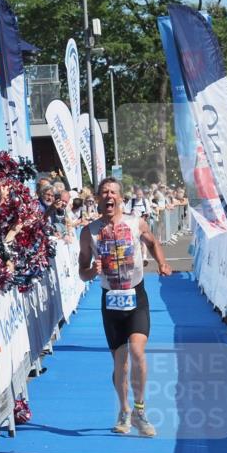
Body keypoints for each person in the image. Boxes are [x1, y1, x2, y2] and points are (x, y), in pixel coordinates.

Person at [78, 177, 172, 438]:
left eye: (113, 193)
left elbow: (152, 242)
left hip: (136, 296)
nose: (109, 196)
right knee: (121, 363)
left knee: (138, 352)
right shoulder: (89, 232)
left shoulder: (135, 222)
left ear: (120, 198)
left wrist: (162, 263)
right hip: (110, 299)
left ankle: (140, 411)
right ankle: (124, 410)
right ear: (97, 198)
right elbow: (82, 272)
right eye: (104, 193)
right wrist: (91, 270)